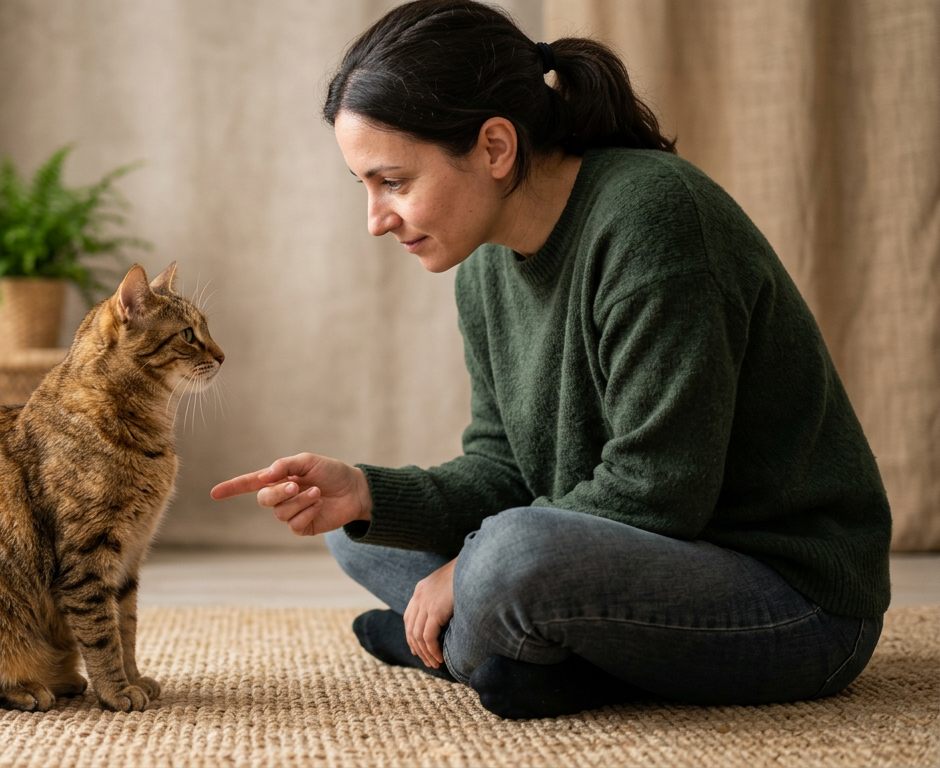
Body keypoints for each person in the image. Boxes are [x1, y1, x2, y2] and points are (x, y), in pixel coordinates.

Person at [210, 0, 891, 720]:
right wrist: (365, 493)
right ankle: (522, 652)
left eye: (394, 182)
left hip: (791, 602)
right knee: (354, 532)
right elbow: (505, 467)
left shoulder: (655, 222)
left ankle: (466, 647)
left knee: (509, 556)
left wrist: (468, 570)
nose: (376, 221)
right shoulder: (484, 258)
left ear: (495, 148)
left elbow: (661, 492)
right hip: (621, 554)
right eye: (367, 187)